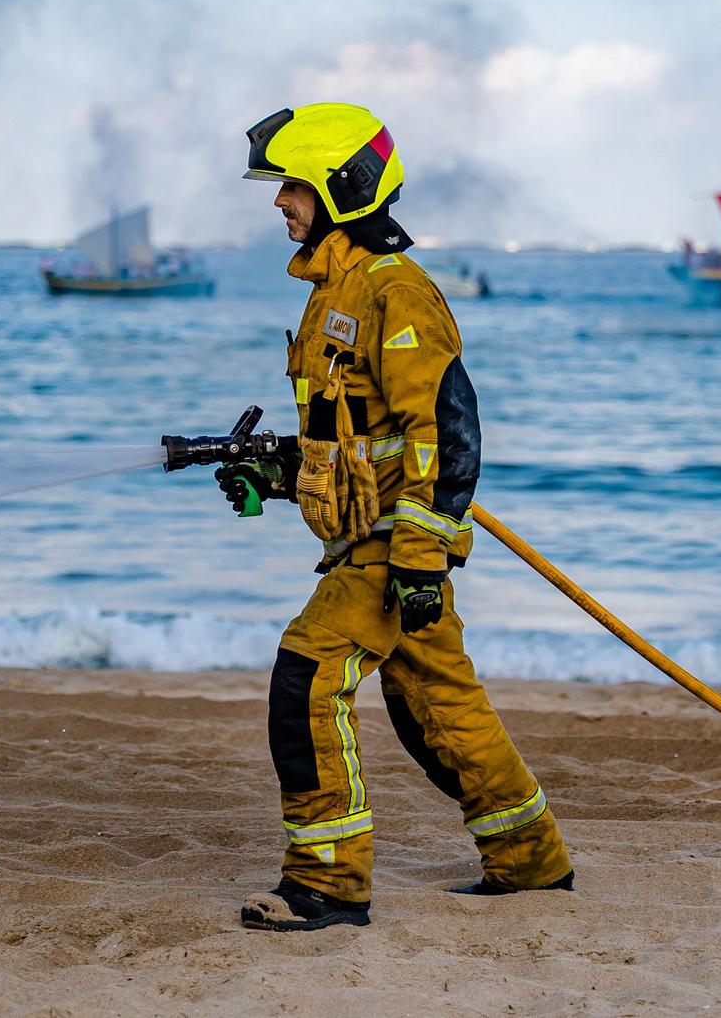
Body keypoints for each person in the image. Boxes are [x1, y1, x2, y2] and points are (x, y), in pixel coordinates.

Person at [221, 102, 573, 933]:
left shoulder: (397, 291)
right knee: (438, 708)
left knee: (306, 679)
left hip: (388, 550)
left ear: (341, 187)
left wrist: (418, 556)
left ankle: (328, 883)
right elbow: (356, 436)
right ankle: (529, 860)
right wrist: (274, 472)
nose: (279, 204)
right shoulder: (333, 288)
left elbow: (445, 439)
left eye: (293, 187)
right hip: (368, 540)